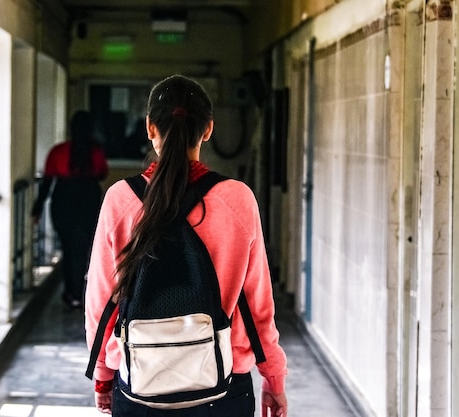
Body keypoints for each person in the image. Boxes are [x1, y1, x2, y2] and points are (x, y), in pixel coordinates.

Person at [84, 74, 288, 417]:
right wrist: (274, 379)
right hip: (222, 386)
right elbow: (257, 305)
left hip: (138, 382)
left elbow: (102, 300)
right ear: (207, 130)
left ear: (150, 128)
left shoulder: (121, 199)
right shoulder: (237, 199)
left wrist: (104, 374)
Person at [32, 111, 108, 309]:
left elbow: (47, 181)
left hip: (63, 200)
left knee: (67, 248)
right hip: (88, 200)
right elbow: (101, 174)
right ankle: (83, 292)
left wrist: (37, 207)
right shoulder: (96, 152)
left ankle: (70, 293)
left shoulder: (58, 151)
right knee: (83, 249)